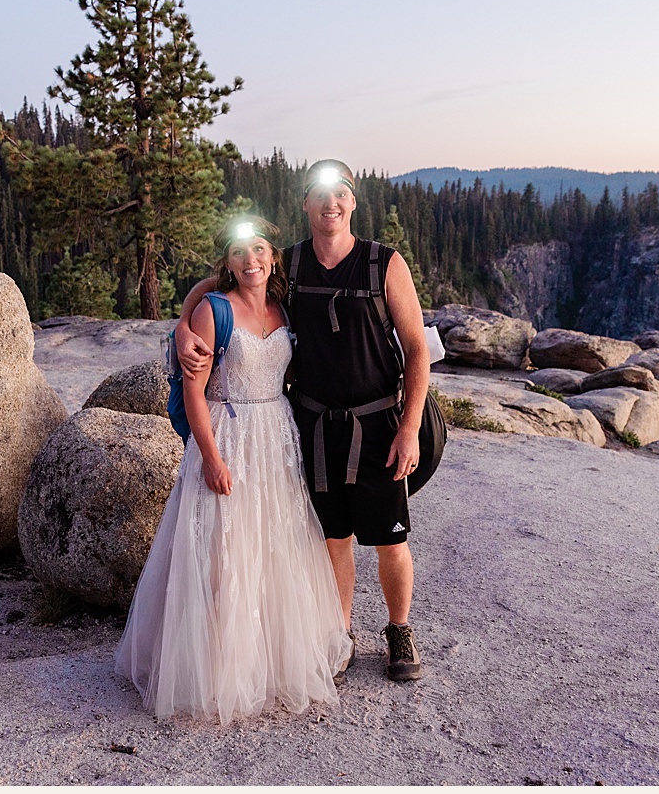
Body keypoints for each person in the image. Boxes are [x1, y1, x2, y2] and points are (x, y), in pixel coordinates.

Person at [179, 160, 435, 682]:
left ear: (352, 201)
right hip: (314, 426)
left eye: (339, 193)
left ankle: (399, 629)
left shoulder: (383, 264)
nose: (330, 203)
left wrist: (409, 428)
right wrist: (183, 329)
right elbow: (217, 282)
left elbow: (416, 348)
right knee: (332, 538)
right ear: (305, 205)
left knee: (391, 537)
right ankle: (339, 637)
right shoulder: (288, 265)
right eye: (319, 195)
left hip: (378, 423)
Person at [115, 224, 351, 722]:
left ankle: (267, 662)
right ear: (228, 260)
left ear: (272, 258)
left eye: (259, 250)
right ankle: (219, 668)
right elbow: (195, 392)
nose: (251, 260)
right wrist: (212, 457)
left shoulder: (283, 309)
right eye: (240, 252)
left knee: (273, 545)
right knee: (222, 548)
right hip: (229, 434)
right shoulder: (213, 310)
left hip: (275, 436)